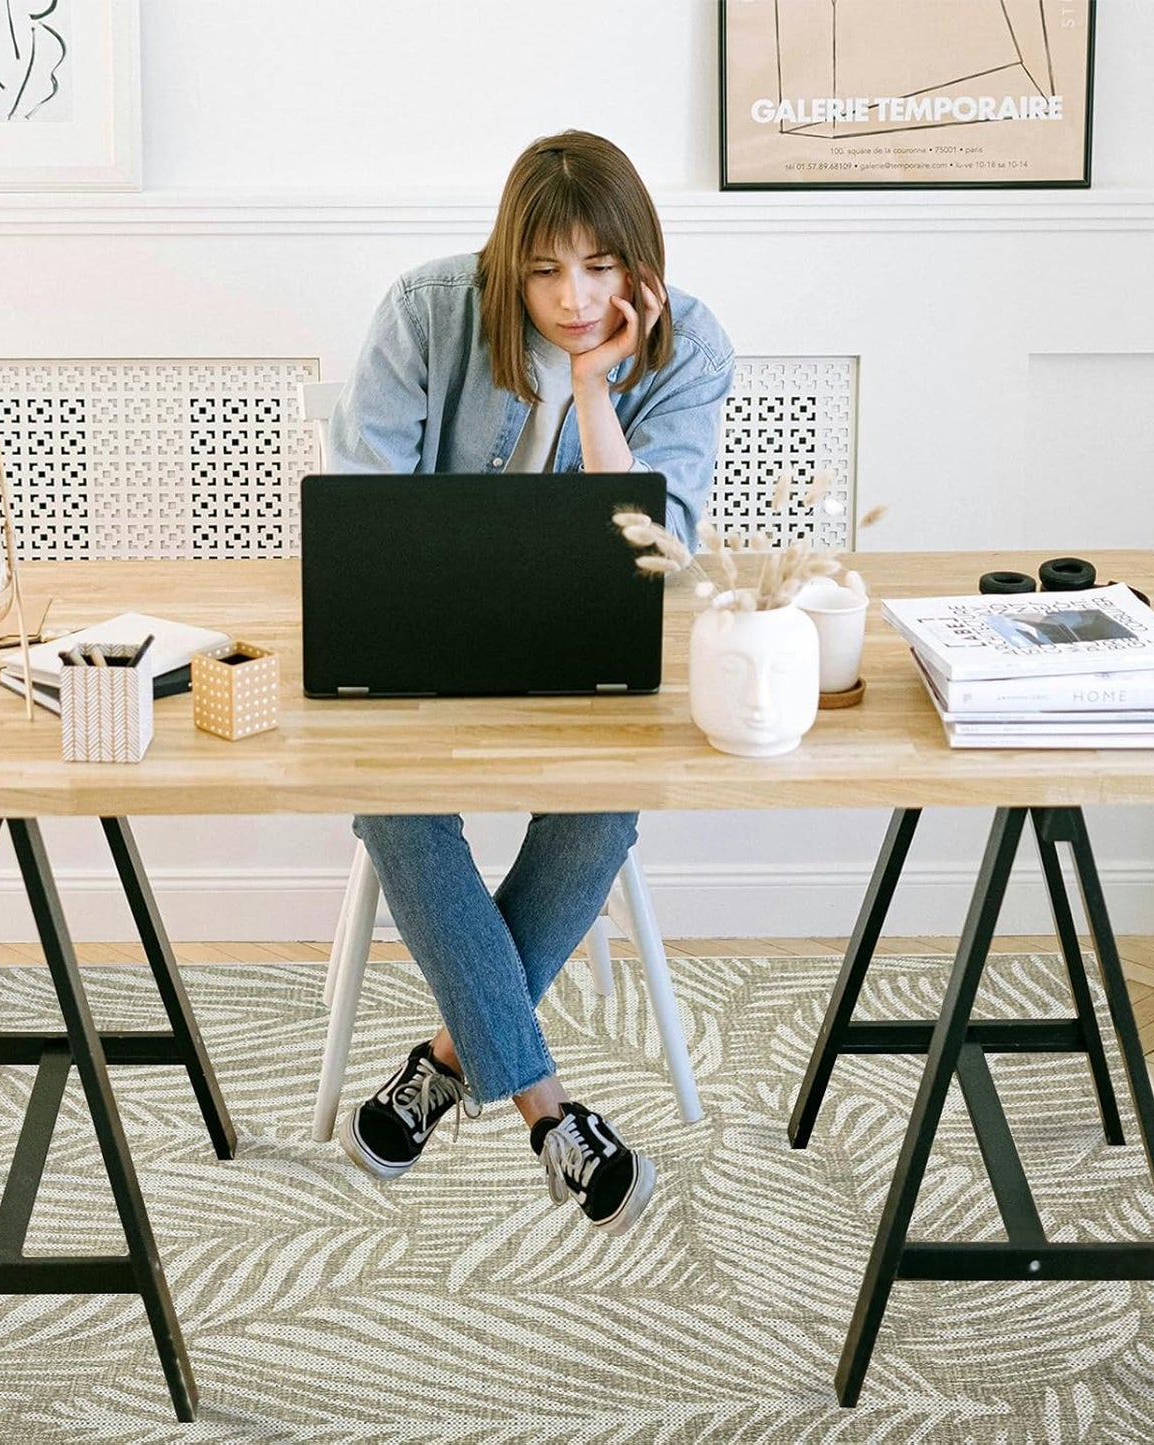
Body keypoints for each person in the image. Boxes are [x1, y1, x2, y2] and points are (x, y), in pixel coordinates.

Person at [327, 130, 734, 1234]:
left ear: (639, 261)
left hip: (582, 658)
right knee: (395, 803)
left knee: (602, 807)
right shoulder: (426, 312)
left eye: (600, 268)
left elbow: (655, 554)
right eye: (544, 270)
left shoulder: (688, 347)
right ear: (507, 259)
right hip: (423, 651)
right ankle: (548, 1111)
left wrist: (596, 390)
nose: (571, 298)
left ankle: (446, 1060)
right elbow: (362, 514)